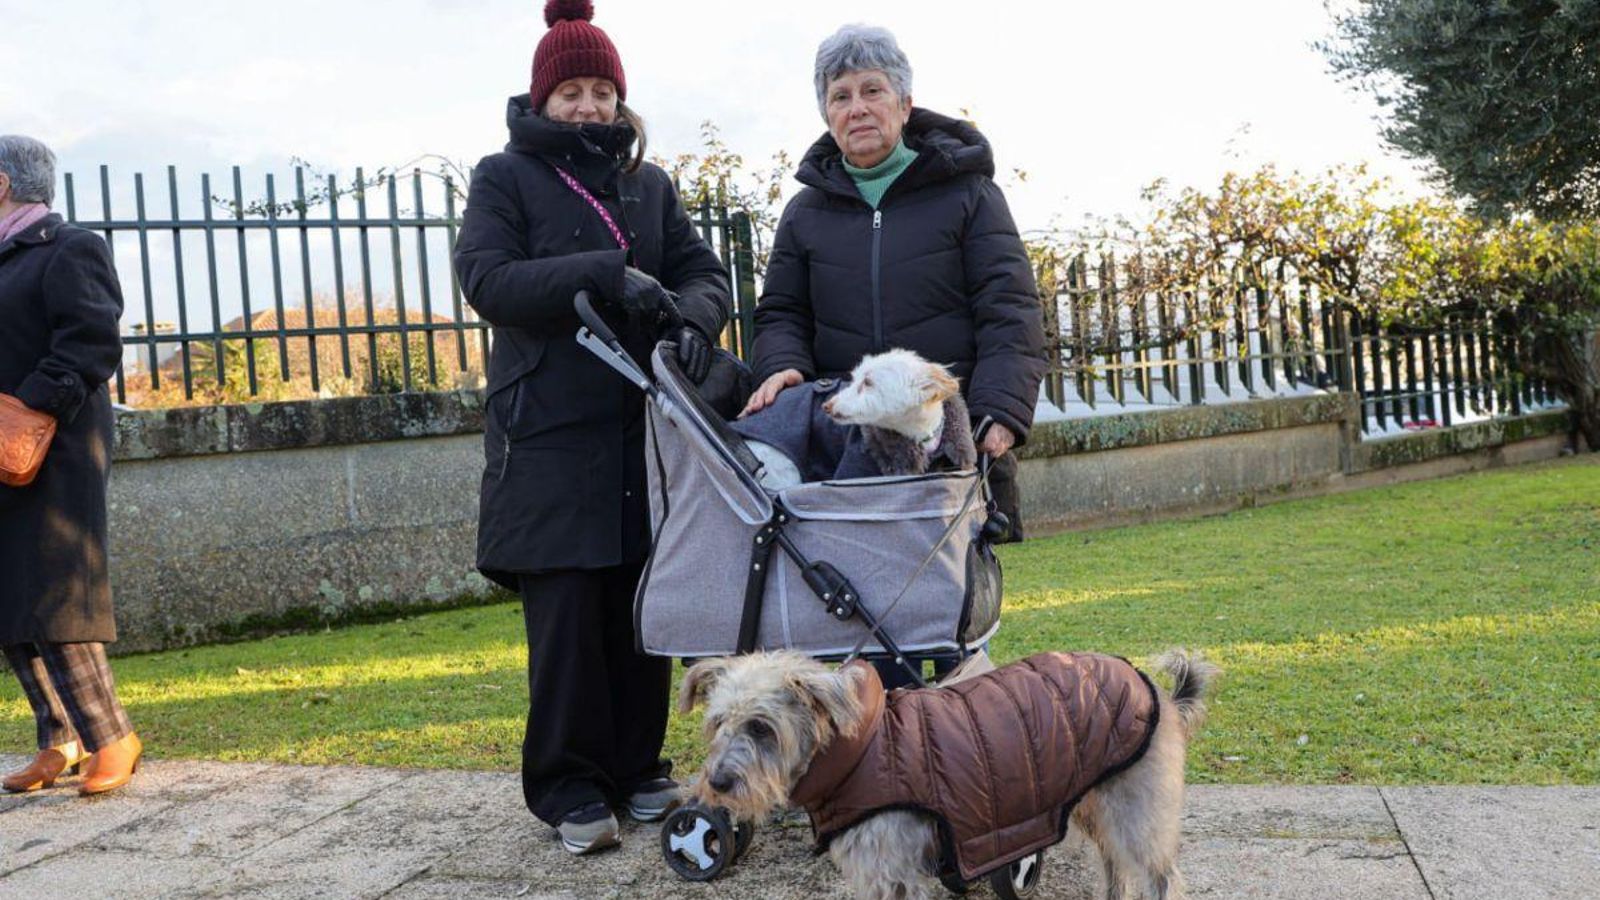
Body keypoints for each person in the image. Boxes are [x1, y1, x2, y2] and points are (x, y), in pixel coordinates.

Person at [452, 0, 731, 856]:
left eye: (600, 90)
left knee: (643, 605)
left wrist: (690, 314)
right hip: (550, 436)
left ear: (619, 98)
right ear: (543, 99)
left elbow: (701, 271)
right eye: (569, 90)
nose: (586, 106)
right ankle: (569, 783)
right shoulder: (505, 178)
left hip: (642, 430)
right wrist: (611, 272)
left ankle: (638, 765)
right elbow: (489, 279)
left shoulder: (650, 185)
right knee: (570, 616)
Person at [742, 25, 1047, 684]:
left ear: (904, 104)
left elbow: (1010, 310)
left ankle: (941, 761)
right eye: (840, 95)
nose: (857, 107)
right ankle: (860, 767)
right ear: (826, 112)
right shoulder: (804, 213)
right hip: (842, 446)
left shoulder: (970, 195)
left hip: (943, 439)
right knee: (846, 615)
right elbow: (782, 313)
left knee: (940, 614)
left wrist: (1001, 408)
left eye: (872, 90)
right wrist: (781, 365)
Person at [0, 134, 142, 796]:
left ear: (2, 184)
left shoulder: (69, 247)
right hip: (3, 449)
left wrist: (26, 412)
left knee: (57, 591)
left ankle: (110, 737)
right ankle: (57, 740)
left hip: (55, 448)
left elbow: (92, 340)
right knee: (9, 594)